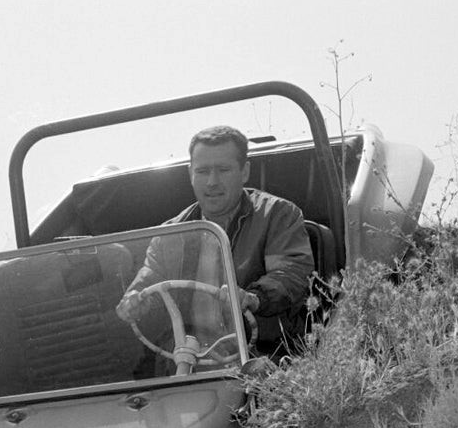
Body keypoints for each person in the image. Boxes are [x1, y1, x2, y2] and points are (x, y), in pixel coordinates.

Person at [117, 125, 315, 354]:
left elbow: (292, 273)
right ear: (190, 174)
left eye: (223, 170)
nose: (212, 181)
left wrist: (253, 297)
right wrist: (135, 302)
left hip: (264, 359)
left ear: (244, 172)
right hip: (187, 360)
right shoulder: (168, 235)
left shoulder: (277, 215)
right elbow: (149, 280)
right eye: (202, 171)